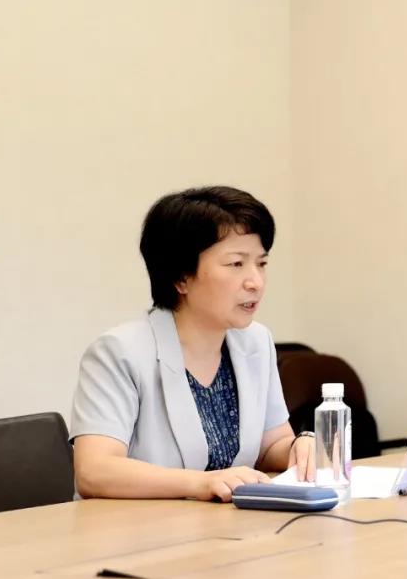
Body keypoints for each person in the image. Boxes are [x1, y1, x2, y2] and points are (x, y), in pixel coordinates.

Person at [71, 186, 313, 501]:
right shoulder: (119, 352)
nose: (255, 282)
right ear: (181, 278)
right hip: (140, 526)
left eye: (261, 263)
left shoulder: (255, 342)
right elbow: (95, 471)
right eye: (236, 264)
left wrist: (299, 447)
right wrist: (202, 483)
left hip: (229, 525)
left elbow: (269, 446)